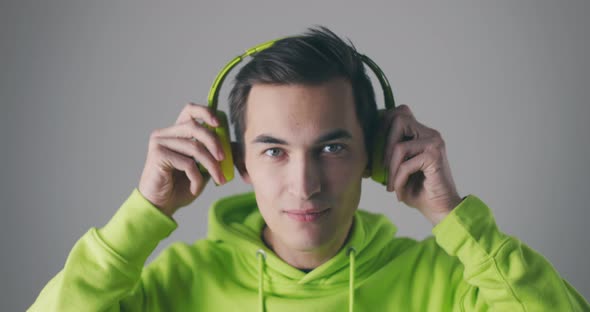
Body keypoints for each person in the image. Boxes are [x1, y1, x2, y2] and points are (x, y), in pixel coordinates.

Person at [29, 26, 589, 312]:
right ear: (233, 158)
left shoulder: (444, 285)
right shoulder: (176, 286)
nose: (305, 184)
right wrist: (142, 216)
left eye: (332, 148)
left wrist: (458, 221)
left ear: (373, 153)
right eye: (273, 150)